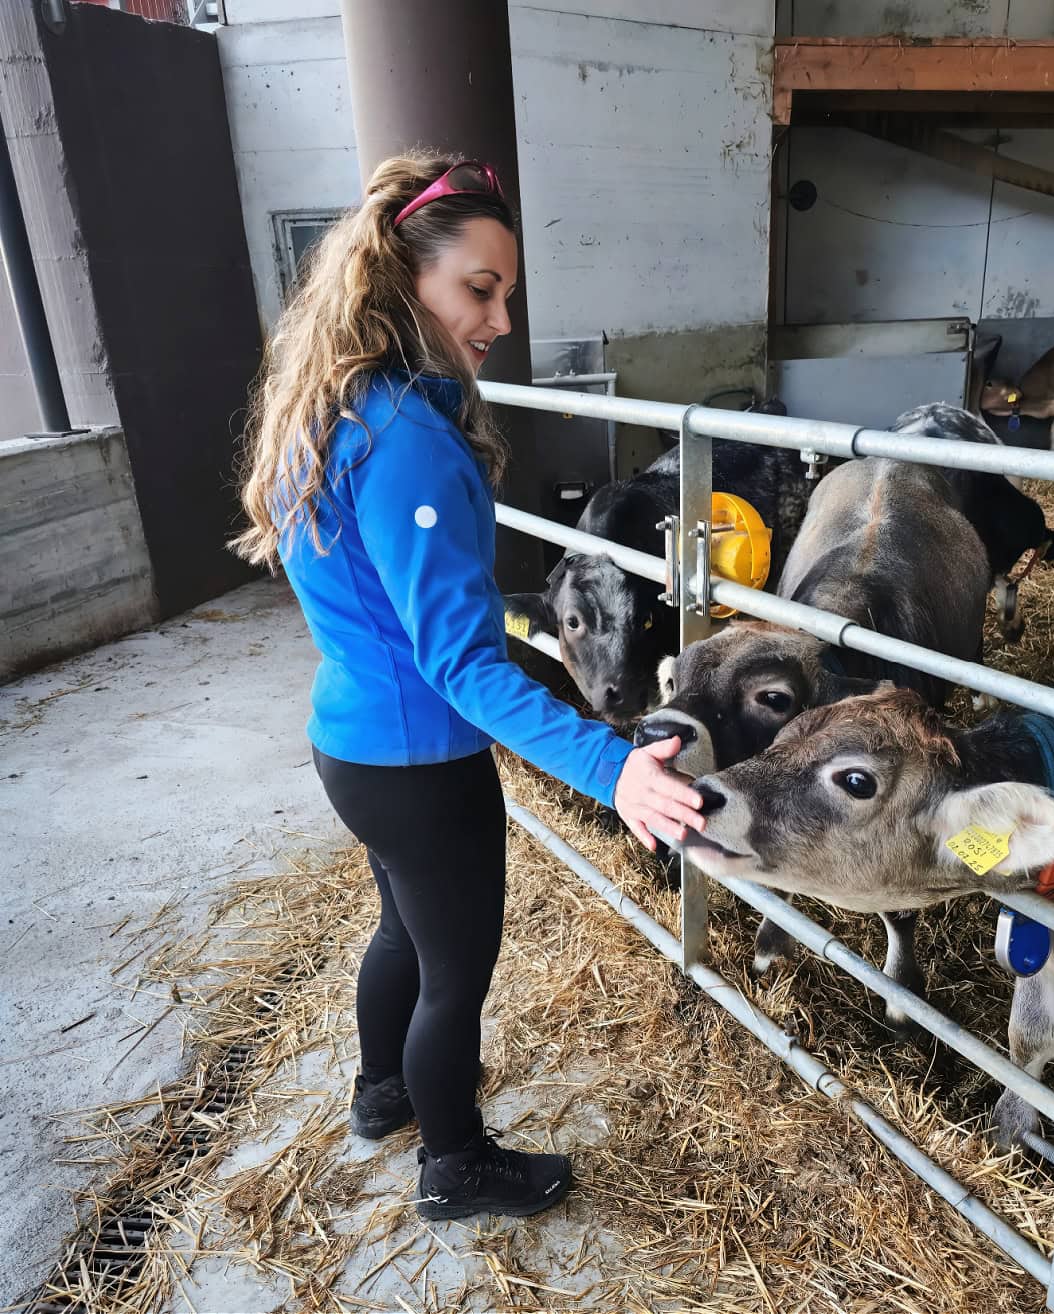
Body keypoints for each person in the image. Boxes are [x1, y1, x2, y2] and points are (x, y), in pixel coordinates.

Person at [232, 151, 705, 1223]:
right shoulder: (406, 440)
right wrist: (612, 767)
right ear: (404, 279)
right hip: (417, 758)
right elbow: (459, 663)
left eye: (505, 292)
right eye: (476, 288)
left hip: (353, 741)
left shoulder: (341, 402)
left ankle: (379, 1093)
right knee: (454, 973)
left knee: (402, 932)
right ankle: (454, 1165)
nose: (496, 318)